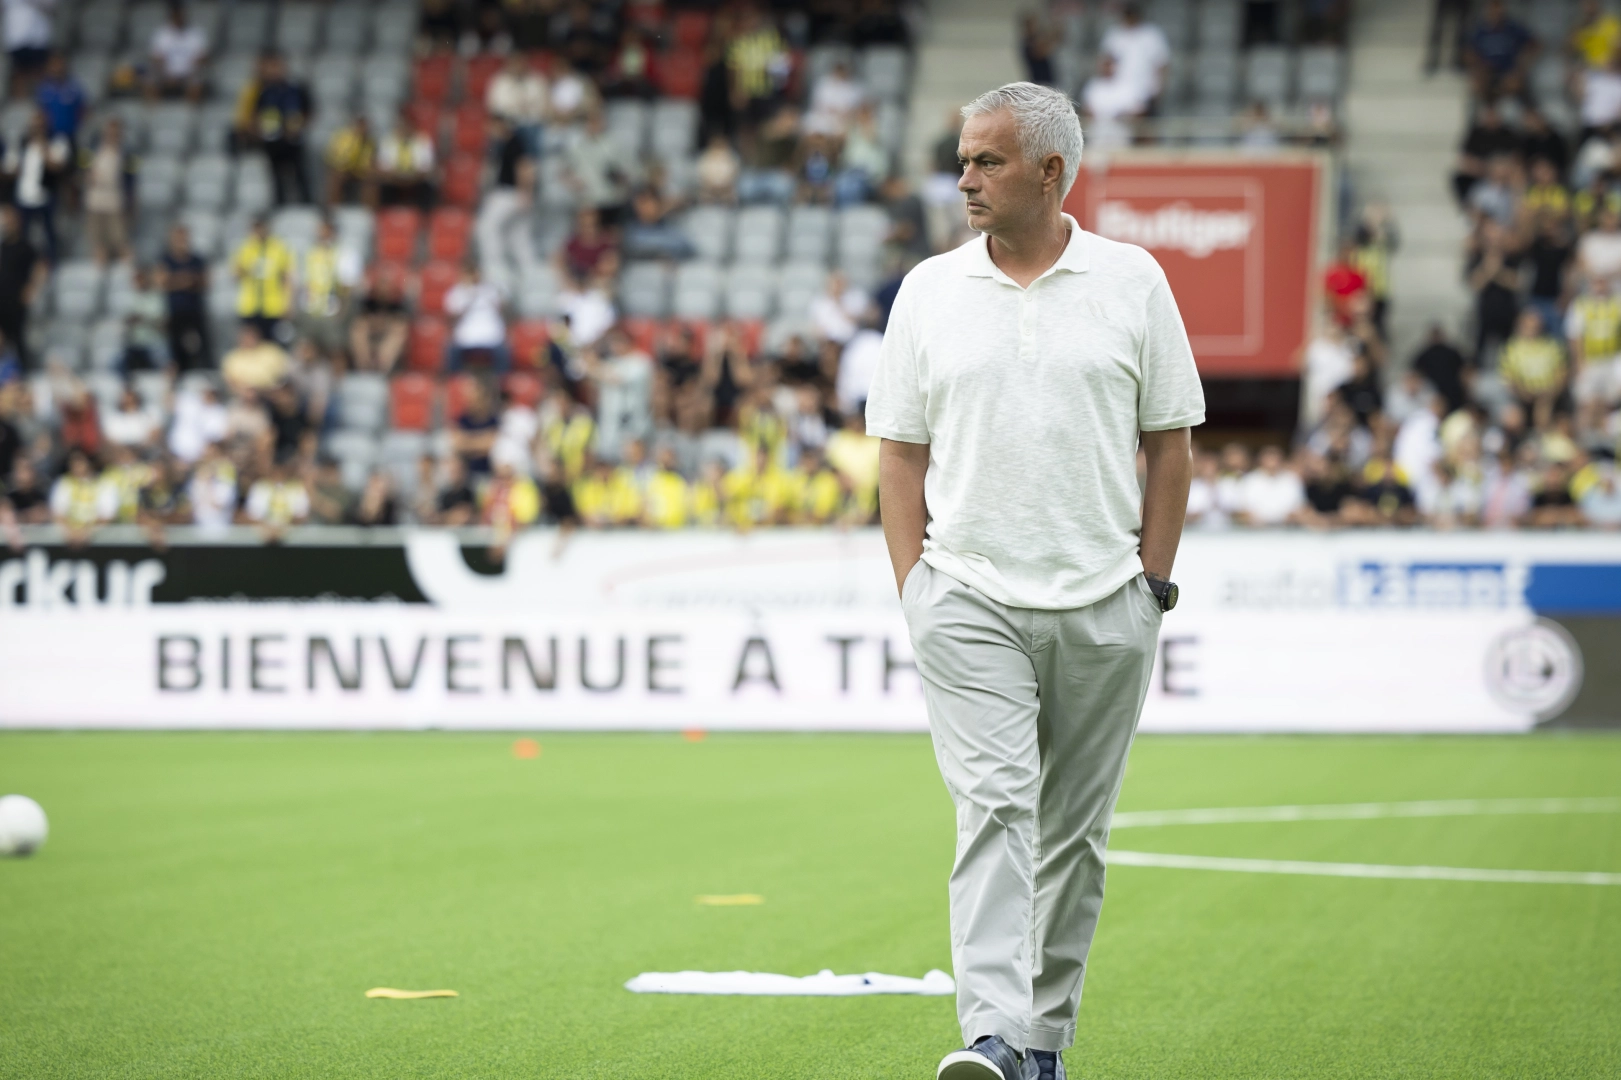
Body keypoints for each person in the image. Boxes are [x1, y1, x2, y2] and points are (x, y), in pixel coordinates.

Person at [866, 82, 1203, 1080]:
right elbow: (898, 455)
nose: (964, 179)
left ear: (1051, 171)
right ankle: (994, 1035)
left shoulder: (1133, 280)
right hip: (966, 596)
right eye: (962, 160)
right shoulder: (927, 289)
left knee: (1075, 839)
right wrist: (916, 591)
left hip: (1106, 602)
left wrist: (1150, 589)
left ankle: (1041, 1043)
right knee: (995, 811)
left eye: (987, 161)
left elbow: (1170, 445)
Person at [4, 107, 68, 264]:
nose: (36, 128)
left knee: (49, 235)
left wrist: (43, 145)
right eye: (34, 125)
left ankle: (52, 264)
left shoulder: (56, 140)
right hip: (24, 196)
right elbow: (11, 168)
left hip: (45, 196)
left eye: (40, 125)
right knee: (22, 235)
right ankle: (24, 265)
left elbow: (56, 166)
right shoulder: (22, 142)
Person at [253, 52, 311, 205]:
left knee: (299, 174)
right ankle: (279, 205)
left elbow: (308, 110)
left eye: (277, 67)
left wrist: (299, 127)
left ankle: (306, 204)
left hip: (294, 139)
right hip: (273, 140)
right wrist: (261, 130)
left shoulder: (296, 89)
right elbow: (258, 113)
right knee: (275, 176)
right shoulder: (264, 91)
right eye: (271, 67)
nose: (275, 71)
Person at [1099, 2, 1170, 114]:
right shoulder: (1114, 35)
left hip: (1145, 94)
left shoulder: (1151, 34)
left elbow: (1162, 65)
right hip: (1119, 94)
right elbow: (1106, 63)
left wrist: (1158, 91)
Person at [232, 215, 294, 340]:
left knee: (271, 343)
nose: (259, 231)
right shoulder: (246, 248)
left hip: (272, 306)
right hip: (250, 305)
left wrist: (287, 303)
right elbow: (236, 275)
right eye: (256, 228)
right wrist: (245, 269)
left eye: (261, 227)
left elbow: (287, 278)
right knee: (251, 343)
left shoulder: (279, 248)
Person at [1464, 0, 1538, 105]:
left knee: (1514, 83)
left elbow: (1535, 45)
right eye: (1493, 9)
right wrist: (1477, 68)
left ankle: (1522, 108)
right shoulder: (1480, 31)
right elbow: (1469, 51)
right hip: (1488, 72)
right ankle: (1487, 107)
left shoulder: (1513, 29)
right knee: (1477, 84)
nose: (1496, 13)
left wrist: (1522, 67)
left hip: (1509, 72)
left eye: (1499, 9)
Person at [83, 118, 134, 266]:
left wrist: (131, 204)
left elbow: (132, 180)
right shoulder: (92, 149)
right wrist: (87, 176)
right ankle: (100, 275)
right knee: (98, 245)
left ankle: (127, 272)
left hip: (115, 203)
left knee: (121, 243)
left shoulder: (127, 153)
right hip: (94, 203)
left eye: (115, 132)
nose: (112, 135)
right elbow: (82, 171)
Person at [159, 224, 209, 370]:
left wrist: (176, 280)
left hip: (194, 310)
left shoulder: (197, 259)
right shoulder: (166, 260)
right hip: (175, 311)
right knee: (176, 347)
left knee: (201, 345)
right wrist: (184, 280)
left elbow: (205, 282)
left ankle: (203, 369)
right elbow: (161, 281)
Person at [444, 262, 509, 371]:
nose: (473, 276)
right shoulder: (456, 292)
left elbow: (501, 309)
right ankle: (455, 379)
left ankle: (501, 379)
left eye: (474, 273)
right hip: (466, 334)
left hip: (490, 333)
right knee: (452, 350)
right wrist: (468, 297)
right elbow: (452, 317)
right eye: (468, 273)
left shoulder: (490, 290)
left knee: (503, 351)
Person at [0, 204, 41, 370]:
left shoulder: (25, 246)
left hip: (17, 302)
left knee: (19, 340)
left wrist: (32, 287)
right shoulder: (3, 246)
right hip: (2, 300)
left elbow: (41, 265)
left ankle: (23, 371)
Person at [374, 108, 436, 209]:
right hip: (393, 179)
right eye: (401, 125)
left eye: (407, 125)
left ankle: (423, 215)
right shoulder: (388, 141)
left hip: (416, 180)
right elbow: (383, 166)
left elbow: (426, 167)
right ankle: (386, 213)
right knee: (382, 187)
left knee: (428, 188)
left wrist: (410, 178)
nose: (404, 128)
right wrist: (397, 178)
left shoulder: (423, 140)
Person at [147, 2, 209, 101]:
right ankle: (153, 110)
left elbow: (202, 59)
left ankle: (191, 110)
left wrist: (188, 74)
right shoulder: (162, 34)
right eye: (176, 15)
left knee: (196, 82)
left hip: (189, 74)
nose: (179, 18)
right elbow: (156, 58)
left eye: (180, 15)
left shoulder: (196, 33)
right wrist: (167, 75)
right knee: (150, 82)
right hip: (167, 74)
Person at [4, 0, 55, 98]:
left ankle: (41, 98)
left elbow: (51, 6)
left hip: (39, 35)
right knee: (19, 70)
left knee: (38, 70)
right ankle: (20, 99)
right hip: (16, 35)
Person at [324, 115, 375, 207]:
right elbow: (335, 158)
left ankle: (367, 211)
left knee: (371, 180)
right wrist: (355, 142)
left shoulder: (369, 142)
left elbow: (367, 162)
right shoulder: (342, 137)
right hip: (342, 170)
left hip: (359, 171)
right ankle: (332, 209)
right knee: (336, 178)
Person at [34, 51, 83, 143]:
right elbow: (40, 111)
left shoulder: (73, 88)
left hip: (70, 134)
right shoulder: (43, 88)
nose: (57, 68)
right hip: (50, 134)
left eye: (59, 64)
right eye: (54, 65)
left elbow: (82, 109)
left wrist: (76, 124)